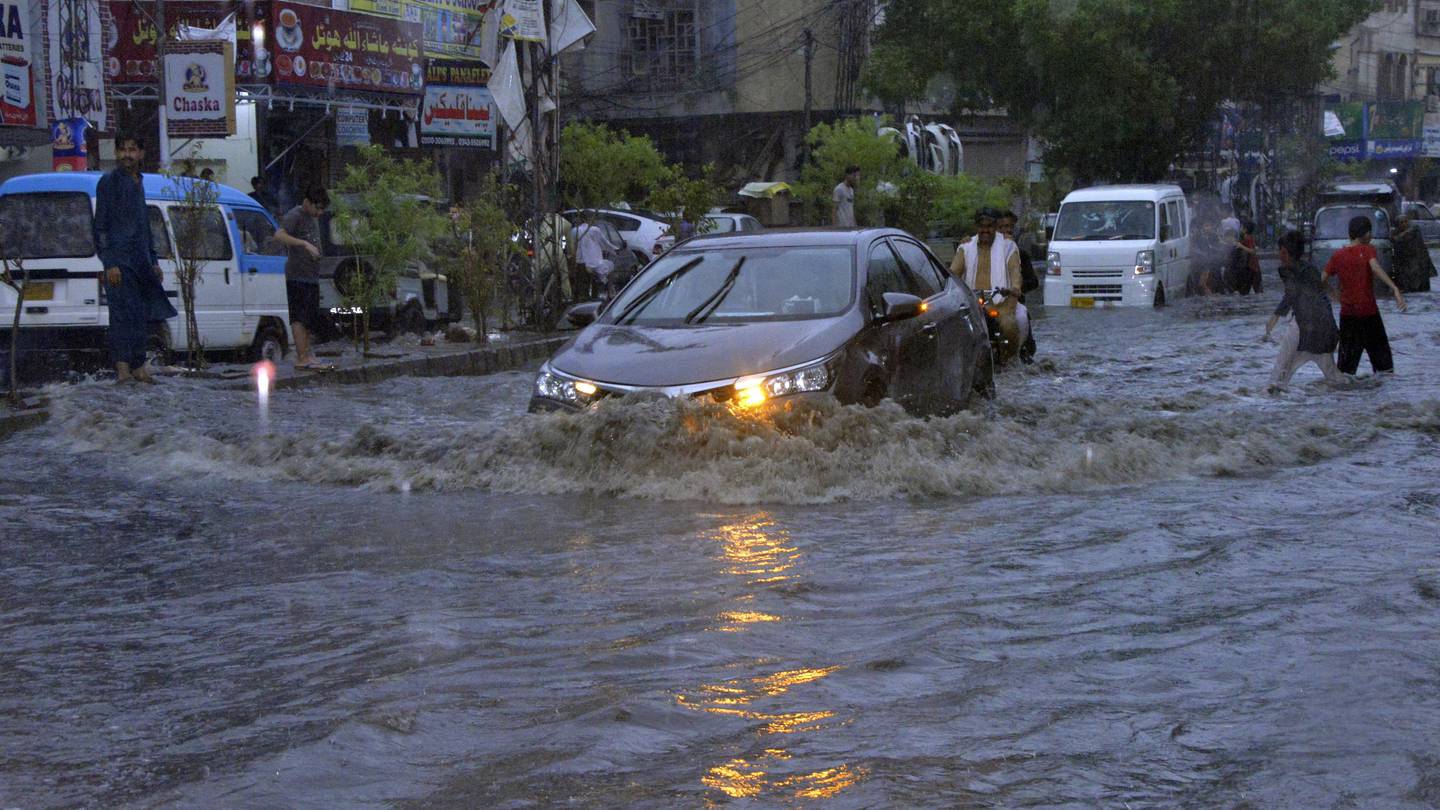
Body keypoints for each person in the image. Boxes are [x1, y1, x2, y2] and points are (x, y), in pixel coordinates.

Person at [93, 133, 177, 384]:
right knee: (121, 316)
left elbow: (143, 227)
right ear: (117, 153)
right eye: (122, 149)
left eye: (132, 149)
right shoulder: (109, 182)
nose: (127, 154)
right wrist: (110, 263)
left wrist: (153, 261)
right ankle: (122, 369)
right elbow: (101, 226)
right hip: (119, 262)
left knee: (141, 314)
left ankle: (139, 366)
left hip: (141, 262)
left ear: (140, 154)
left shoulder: (139, 182)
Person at [1322, 215, 1407, 376]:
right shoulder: (1367, 250)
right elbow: (1375, 267)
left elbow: (1321, 279)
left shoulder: (1338, 255)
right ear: (1366, 233)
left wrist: (1333, 293)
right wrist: (1394, 288)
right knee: (1385, 368)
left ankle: (1345, 398)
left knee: (1345, 370)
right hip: (1369, 315)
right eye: (1370, 232)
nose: (1371, 236)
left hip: (1348, 317)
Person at [1264, 230, 1345, 391]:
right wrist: (1335, 295)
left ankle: (1269, 397)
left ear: (1284, 252)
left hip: (1303, 326)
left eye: (1279, 251)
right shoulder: (1310, 269)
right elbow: (1321, 289)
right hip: (1323, 327)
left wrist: (1275, 317)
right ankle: (1358, 394)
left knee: (1280, 370)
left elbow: (1291, 294)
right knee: (1334, 376)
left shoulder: (1286, 270)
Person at [950, 207, 1030, 362]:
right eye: (982, 226)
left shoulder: (1008, 246)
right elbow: (952, 274)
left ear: (996, 227)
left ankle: (1011, 363)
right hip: (972, 303)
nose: (985, 230)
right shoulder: (965, 248)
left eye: (989, 226)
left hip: (1002, 302)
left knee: (1008, 326)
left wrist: (1014, 287)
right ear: (976, 227)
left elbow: (1015, 271)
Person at [274, 187, 331, 370]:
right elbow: (279, 235)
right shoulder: (296, 215)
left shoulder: (312, 218)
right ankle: (301, 357)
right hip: (297, 275)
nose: (320, 213)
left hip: (311, 275)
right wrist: (304, 244)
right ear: (308, 202)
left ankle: (307, 354)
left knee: (309, 318)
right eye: (318, 208)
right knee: (299, 317)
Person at [998, 210, 1038, 363]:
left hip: (1014, 304)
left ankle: (1023, 353)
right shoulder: (978, 251)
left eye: (1010, 227)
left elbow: (1033, 282)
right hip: (987, 303)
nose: (1007, 230)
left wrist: (1016, 289)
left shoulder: (1021, 254)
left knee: (1021, 317)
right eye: (1002, 227)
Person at [575, 218, 623, 296]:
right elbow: (604, 243)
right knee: (610, 266)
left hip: (581, 263)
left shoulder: (576, 230)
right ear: (590, 218)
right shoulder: (594, 230)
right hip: (594, 263)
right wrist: (615, 249)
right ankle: (610, 290)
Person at [1391, 215, 1433, 293]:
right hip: (1405, 263)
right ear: (1398, 225)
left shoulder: (1414, 229)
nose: (1404, 224)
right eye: (1401, 222)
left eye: (1406, 221)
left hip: (1419, 262)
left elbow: (1409, 237)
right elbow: (1395, 241)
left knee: (1421, 287)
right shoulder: (1395, 232)